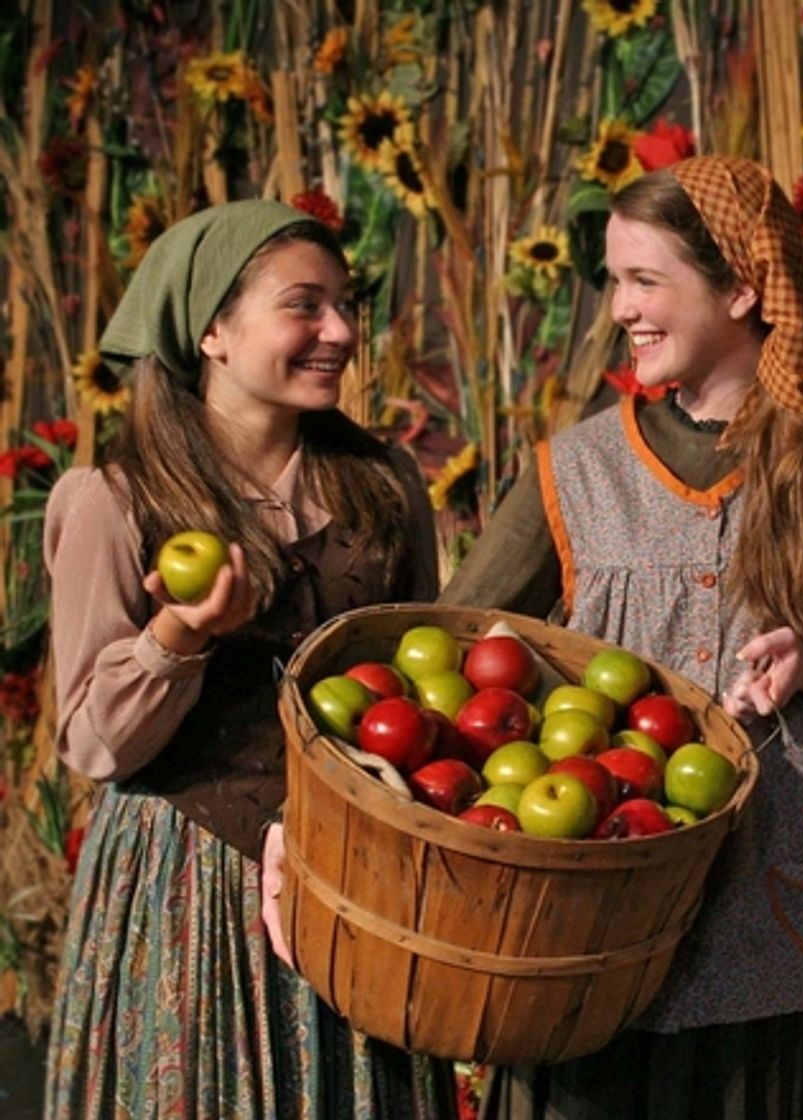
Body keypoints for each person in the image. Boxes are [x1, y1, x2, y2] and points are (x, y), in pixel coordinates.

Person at [441, 155, 803, 1119]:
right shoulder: (572, 471)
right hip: (609, 939)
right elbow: (458, 663)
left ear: (744, 289)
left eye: (645, 280)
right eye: (615, 280)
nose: (621, 307)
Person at [42, 200, 456, 1118]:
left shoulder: (384, 488)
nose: (339, 332)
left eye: (345, 306)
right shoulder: (117, 503)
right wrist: (177, 637)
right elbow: (93, 745)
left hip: (355, 880)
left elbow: (421, 687)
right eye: (303, 306)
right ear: (215, 331)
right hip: (191, 884)